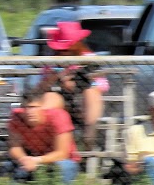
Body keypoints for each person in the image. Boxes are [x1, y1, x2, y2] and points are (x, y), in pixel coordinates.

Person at [38, 19, 109, 150]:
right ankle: (42, 141)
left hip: (83, 102)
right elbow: (41, 88)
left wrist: (78, 81)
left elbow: (102, 85)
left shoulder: (89, 59)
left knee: (92, 92)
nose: (62, 52)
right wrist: (56, 79)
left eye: (65, 48)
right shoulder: (52, 61)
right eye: (60, 49)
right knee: (49, 98)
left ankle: (89, 136)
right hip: (60, 98)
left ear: (76, 44)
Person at [7, 88, 80, 183]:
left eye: (33, 107)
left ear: (43, 108)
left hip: (60, 161)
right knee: (9, 166)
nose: (29, 112)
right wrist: (24, 159)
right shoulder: (17, 117)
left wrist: (36, 160)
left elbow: (62, 153)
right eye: (26, 108)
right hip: (30, 158)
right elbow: (14, 147)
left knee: (64, 167)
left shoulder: (59, 116)